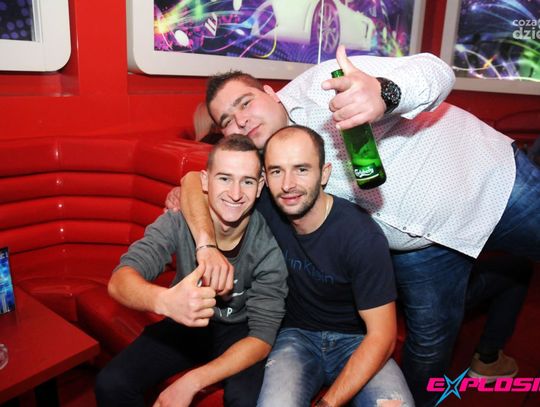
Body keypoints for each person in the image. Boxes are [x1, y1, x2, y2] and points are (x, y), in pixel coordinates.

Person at [168, 45, 540, 406]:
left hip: (491, 182)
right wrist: (195, 213)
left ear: (269, 91)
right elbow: (197, 181)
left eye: (245, 103)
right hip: (419, 247)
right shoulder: (258, 157)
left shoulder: (325, 85)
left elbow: (437, 69)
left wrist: (384, 94)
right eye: (227, 120)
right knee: (429, 345)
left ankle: (503, 290)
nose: (241, 120)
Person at [95, 135, 288, 407]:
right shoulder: (178, 221)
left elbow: (262, 338)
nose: (235, 193)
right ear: (205, 181)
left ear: (260, 187)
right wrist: (165, 301)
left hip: (240, 330)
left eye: (246, 181)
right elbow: (119, 281)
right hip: (185, 325)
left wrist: (192, 382)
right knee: (112, 383)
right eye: (224, 178)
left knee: (245, 400)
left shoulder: (267, 246)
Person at [256, 125, 413, 406]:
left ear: (324, 173)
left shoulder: (361, 236)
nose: (288, 184)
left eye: (301, 169)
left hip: (357, 340)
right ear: (265, 179)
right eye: (277, 171)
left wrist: (328, 404)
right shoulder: (266, 205)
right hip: (296, 337)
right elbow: (200, 182)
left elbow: (383, 336)